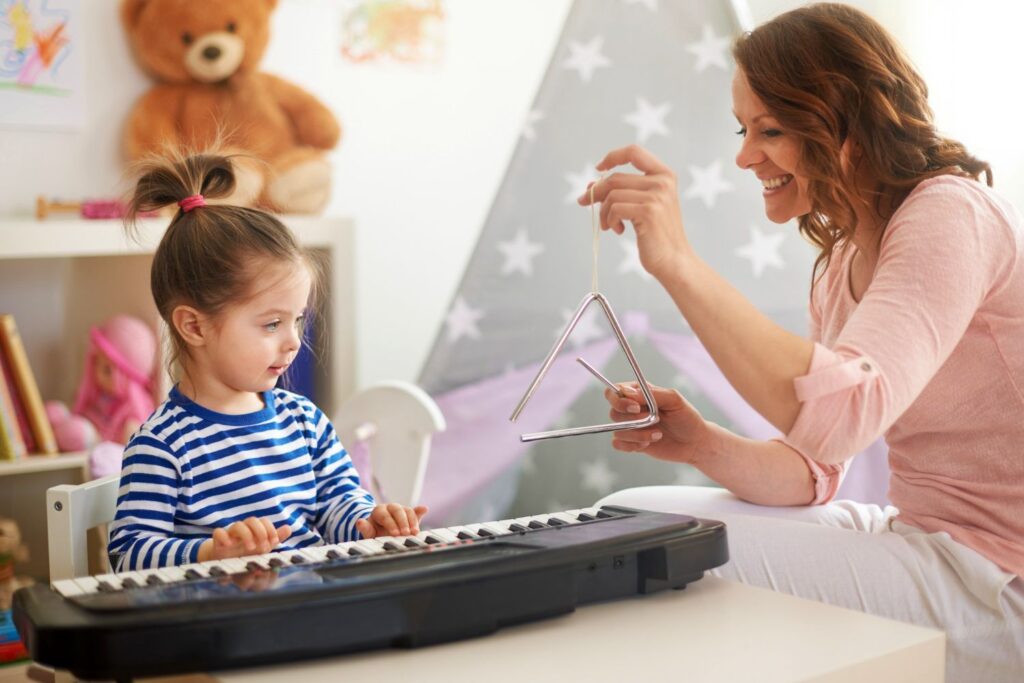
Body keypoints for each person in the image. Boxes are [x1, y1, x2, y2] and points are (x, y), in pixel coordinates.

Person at [578, 3, 1023, 680]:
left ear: (844, 121)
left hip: (996, 578)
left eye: (771, 129)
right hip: (921, 539)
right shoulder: (843, 259)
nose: (744, 154)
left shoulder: (950, 212)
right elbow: (817, 466)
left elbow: (848, 410)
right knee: (623, 515)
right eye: (743, 128)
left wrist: (676, 261)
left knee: (645, 553)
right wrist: (699, 441)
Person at [108, 151, 425, 572]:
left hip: (308, 605)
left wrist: (369, 522)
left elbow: (339, 505)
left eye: (297, 320)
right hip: (222, 625)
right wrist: (210, 553)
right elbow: (128, 554)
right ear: (194, 327)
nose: (293, 341)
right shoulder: (163, 445)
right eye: (272, 324)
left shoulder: (305, 422)